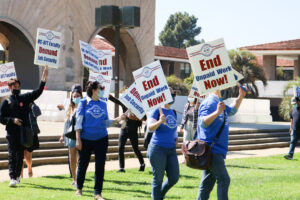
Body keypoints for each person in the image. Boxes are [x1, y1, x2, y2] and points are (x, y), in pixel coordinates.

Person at [75, 81, 126, 200]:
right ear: (93, 90)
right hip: (85, 138)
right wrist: (78, 139)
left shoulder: (103, 104)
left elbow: (106, 122)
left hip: (101, 139)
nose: (102, 90)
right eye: (100, 88)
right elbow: (78, 122)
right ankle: (79, 188)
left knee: (100, 166)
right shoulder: (84, 102)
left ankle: (97, 193)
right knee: (83, 164)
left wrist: (117, 120)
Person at [0, 66, 48, 187]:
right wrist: (12, 120)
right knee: (12, 154)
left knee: (20, 155)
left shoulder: (24, 98)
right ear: (9, 88)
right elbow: (1, 118)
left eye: (18, 87)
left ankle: (17, 176)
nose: (17, 89)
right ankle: (12, 177)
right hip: (11, 132)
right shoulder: (6, 102)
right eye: (14, 87)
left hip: (23, 132)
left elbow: (37, 92)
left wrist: (43, 79)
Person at [196, 88, 246, 200]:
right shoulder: (208, 103)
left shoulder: (219, 102)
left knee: (206, 185)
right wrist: (217, 112)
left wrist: (240, 96)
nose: (225, 89)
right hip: (212, 151)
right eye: (223, 86)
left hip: (216, 151)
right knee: (224, 179)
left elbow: (232, 111)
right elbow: (202, 123)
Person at [147, 88, 179, 200]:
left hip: (171, 150)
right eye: (170, 93)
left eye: (173, 93)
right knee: (158, 179)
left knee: (174, 177)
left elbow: (173, 129)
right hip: (157, 149)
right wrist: (160, 121)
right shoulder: (156, 110)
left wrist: (176, 138)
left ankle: (159, 195)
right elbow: (150, 128)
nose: (172, 95)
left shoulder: (173, 112)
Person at [108, 94, 145, 173]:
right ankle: (122, 168)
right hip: (124, 128)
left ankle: (142, 164)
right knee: (120, 148)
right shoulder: (125, 103)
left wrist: (134, 117)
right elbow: (117, 101)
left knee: (135, 148)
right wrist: (109, 97)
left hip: (133, 129)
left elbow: (145, 118)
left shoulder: (139, 105)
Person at [59, 84, 83, 186]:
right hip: (71, 135)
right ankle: (75, 178)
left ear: (81, 96)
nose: (76, 98)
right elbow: (66, 123)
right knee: (72, 158)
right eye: (74, 96)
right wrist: (62, 135)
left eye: (78, 96)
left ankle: (80, 177)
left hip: (82, 135)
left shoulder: (84, 107)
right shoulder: (69, 108)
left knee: (81, 159)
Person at [21, 102, 41, 178]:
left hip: (30, 133)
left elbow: (38, 113)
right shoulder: (20, 107)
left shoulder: (33, 107)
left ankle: (29, 167)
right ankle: (21, 174)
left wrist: (32, 104)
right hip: (21, 133)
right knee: (20, 155)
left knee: (28, 155)